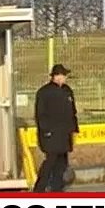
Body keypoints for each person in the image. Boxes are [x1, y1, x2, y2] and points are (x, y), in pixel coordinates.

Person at [32, 64, 78, 192]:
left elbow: (72, 111)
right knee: (50, 162)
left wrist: (74, 129)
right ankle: (39, 188)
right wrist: (46, 131)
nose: (65, 78)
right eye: (63, 75)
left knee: (62, 163)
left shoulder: (67, 90)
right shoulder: (44, 92)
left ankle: (57, 188)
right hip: (51, 135)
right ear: (56, 76)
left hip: (64, 134)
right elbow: (40, 114)